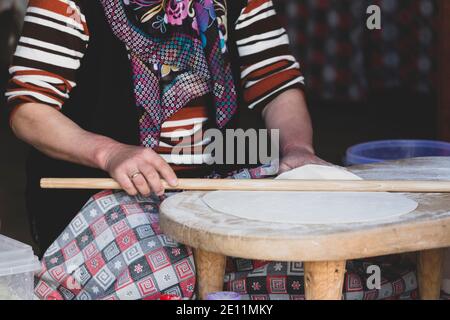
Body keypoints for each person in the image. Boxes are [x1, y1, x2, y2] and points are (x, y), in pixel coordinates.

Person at [6, 0, 416, 300]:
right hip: (108, 198)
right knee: (164, 280)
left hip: (218, 188)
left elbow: (277, 85)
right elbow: (29, 110)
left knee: (349, 265)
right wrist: (110, 153)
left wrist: (297, 150)